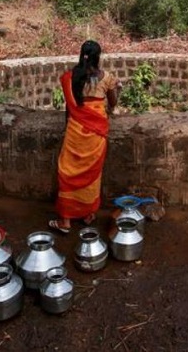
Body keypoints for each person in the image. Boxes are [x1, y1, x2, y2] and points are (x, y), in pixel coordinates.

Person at [49, 40, 120, 234]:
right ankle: (88, 214)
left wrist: (68, 128)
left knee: (67, 171)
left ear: (82, 55)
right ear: (98, 57)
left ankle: (65, 220)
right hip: (96, 133)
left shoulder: (71, 77)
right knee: (93, 174)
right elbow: (112, 103)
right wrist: (115, 93)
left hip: (74, 131)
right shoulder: (107, 78)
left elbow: (68, 109)